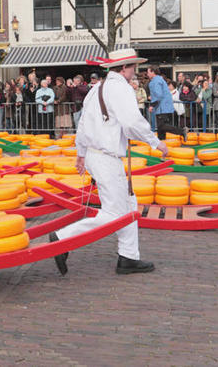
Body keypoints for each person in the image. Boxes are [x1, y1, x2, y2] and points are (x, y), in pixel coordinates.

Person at [49, 49, 168, 276]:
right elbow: (132, 122)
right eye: (133, 67)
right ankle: (63, 237)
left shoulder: (97, 89)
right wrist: (155, 142)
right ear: (123, 68)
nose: (135, 71)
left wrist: (81, 153)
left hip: (96, 154)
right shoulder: (120, 88)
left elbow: (83, 124)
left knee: (129, 205)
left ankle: (128, 256)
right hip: (106, 157)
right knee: (114, 213)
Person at [146, 65, 185, 139]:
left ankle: (181, 131)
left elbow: (158, 95)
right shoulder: (159, 80)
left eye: (148, 72)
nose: (147, 74)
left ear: (153, 72)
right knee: (161, 128)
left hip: (162, 107)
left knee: (161, 126)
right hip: (164, 106)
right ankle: (161, 142)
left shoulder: (156, 81)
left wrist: (152, 105)